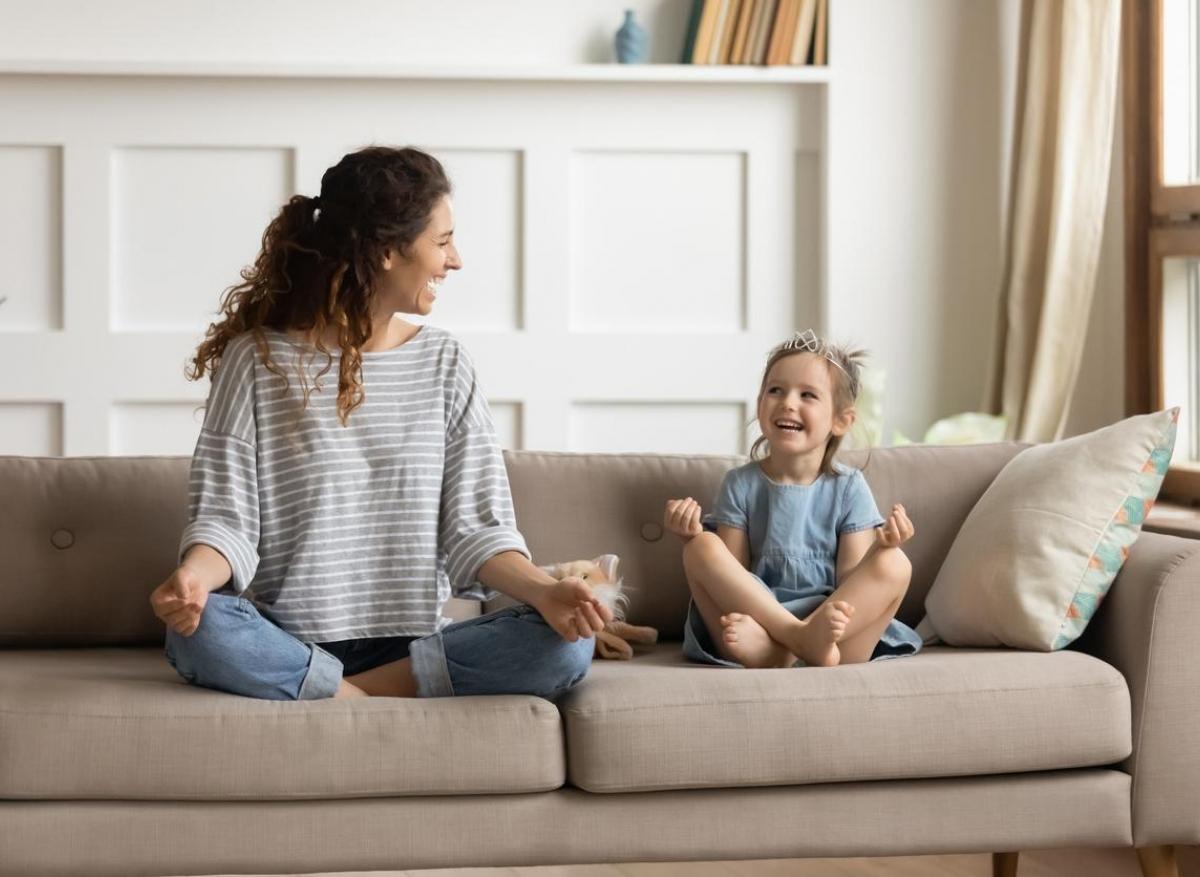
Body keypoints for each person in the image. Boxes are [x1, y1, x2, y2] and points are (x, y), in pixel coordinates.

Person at [149, 145, 611, 701]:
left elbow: (478, 533)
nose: (455, 260)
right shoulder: (257, 361)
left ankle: (335, 695)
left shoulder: (445, 363)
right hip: (287, 638)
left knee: (565, 643)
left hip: (410, 644)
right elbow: (227, 522)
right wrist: (195, 580)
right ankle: (364, 694)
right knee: (197, 635)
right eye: (442, 242)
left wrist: (544, 591)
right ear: (388, 250)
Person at [663, 329, 922, 669]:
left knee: (895, 563)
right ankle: (793, 640)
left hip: (832, 636)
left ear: (841, 420)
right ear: (759, 404)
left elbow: (851, 581)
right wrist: (689, 534)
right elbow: (735, 577)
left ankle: (785, 652)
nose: (788, 403)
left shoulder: (849, 487)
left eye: (807, 395)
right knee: (700, 547)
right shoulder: (741, 484)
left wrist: (880, 548)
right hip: (757, 623)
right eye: (776, 390)